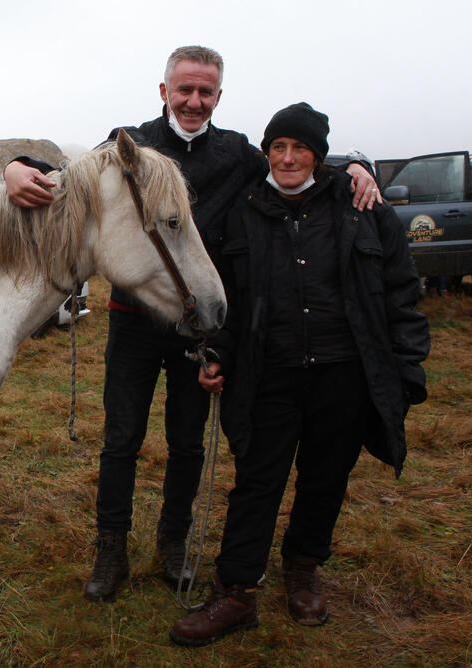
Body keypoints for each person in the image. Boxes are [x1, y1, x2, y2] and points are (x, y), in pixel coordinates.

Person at [4, 46, 383, 603]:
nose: (193, 101)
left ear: (219, 98)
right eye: (184, 89)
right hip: (134, 320)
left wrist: (359, 167)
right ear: (164, 92)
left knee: (187, 443)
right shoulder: (128, 144)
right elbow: (68, 177)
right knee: (121, 439)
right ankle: (112, 550)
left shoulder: (238, 155)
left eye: (205, 92)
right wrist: (15, 166)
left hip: (199, 325)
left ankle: (173, 543)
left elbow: (297, 164)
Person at [169, 102, 430, 646]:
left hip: (345, 374)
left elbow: (402, 292)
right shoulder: (245, 210)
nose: (288, 158)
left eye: (300, 148)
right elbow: (229, 298)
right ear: (267, 154)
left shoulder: (362, 207)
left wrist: (406, 369)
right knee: (256, 483)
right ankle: (237, 590)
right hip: (269, 374)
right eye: (278, 148)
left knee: (325, 478)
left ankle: (303, 568)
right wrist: (217, 352)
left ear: (319, 155)